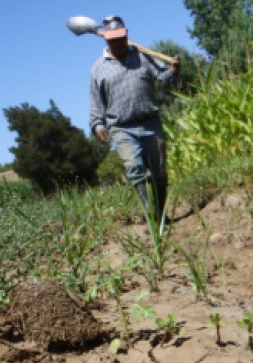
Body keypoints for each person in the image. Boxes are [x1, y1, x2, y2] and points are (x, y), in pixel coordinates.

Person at [89, 15, 180, 233]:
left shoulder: (143, 58)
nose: (117, 43)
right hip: (122, 128)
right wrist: (98, 125)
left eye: (120, 38)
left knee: (159, 174)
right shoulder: (98, 68)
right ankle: (150, 213)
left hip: (151, 123)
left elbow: (163, 77)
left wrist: (174, 70)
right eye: (112, 39)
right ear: (105, 40)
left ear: (126, 35)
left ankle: (160, 213)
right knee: (135, 167)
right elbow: (95, 101)